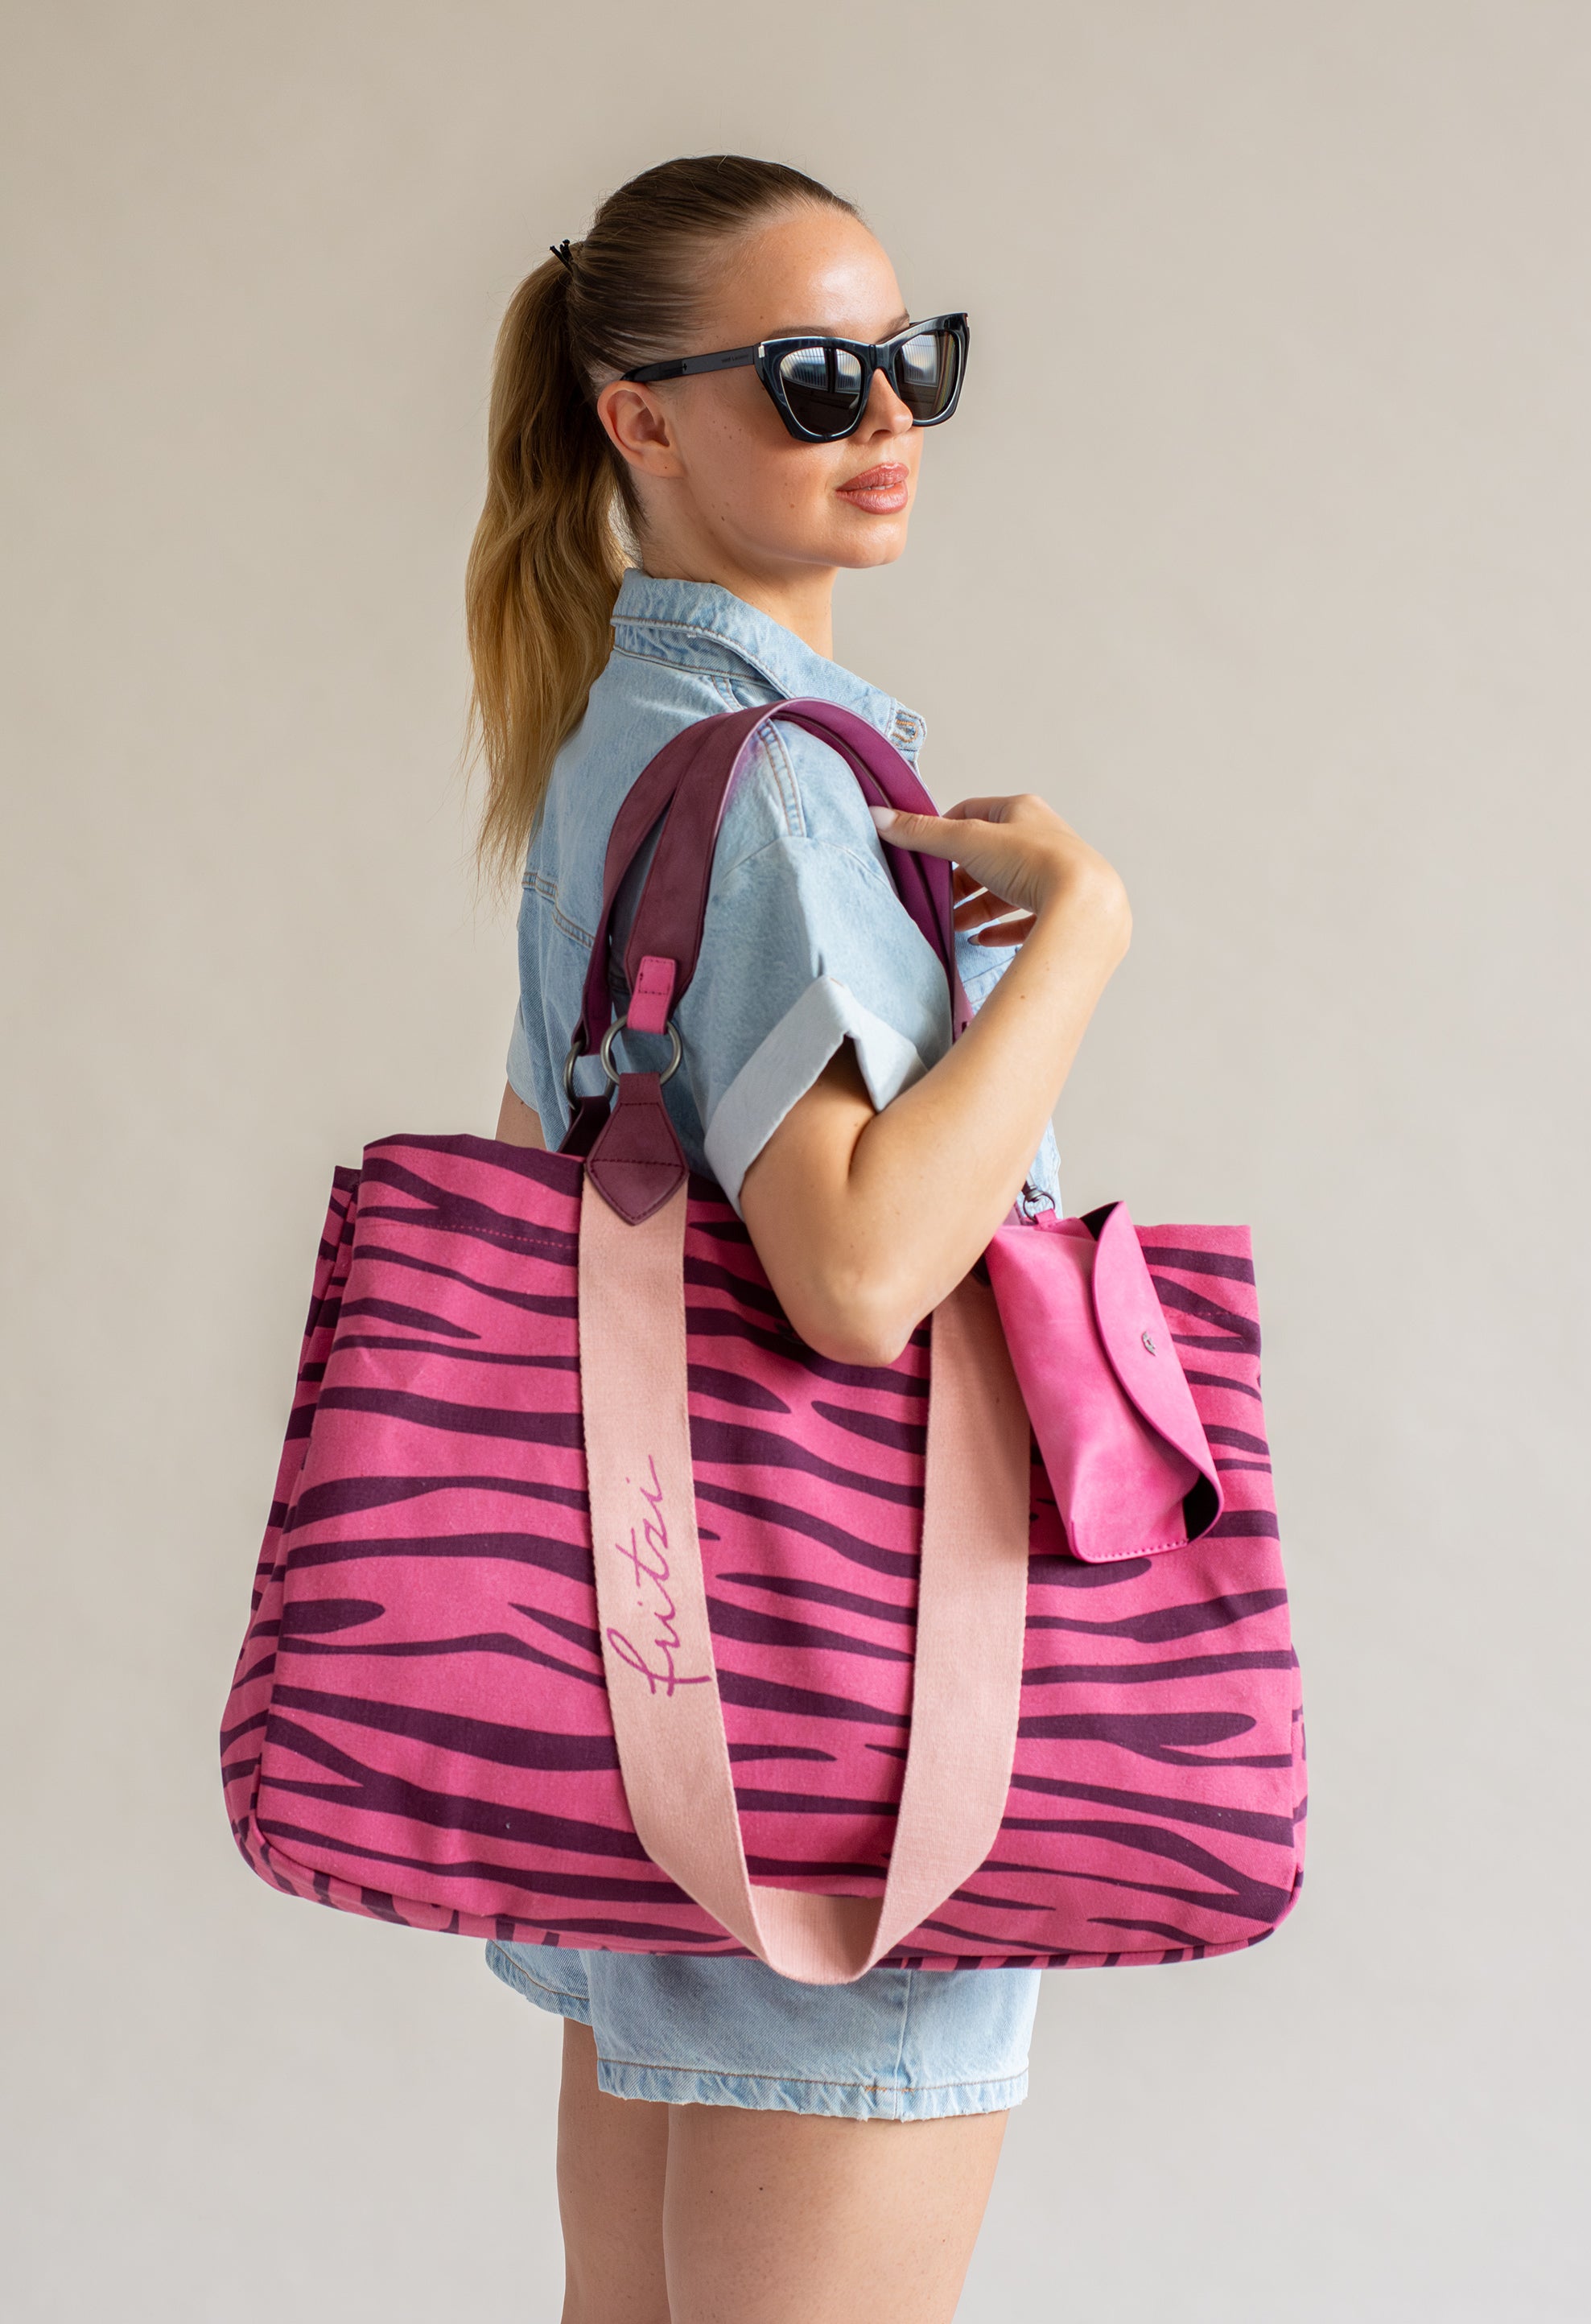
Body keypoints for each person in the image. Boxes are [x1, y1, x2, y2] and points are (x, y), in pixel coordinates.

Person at [467, 155, 1130, 2324]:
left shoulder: (623, 737)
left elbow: (538, 1176)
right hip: (853, 1737)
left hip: (670, 1695)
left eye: (913, 361)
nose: (889, 420)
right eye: (817, 377)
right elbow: (855, 1279)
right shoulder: (764, 776)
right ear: (638, 418)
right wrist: (1080, 945)